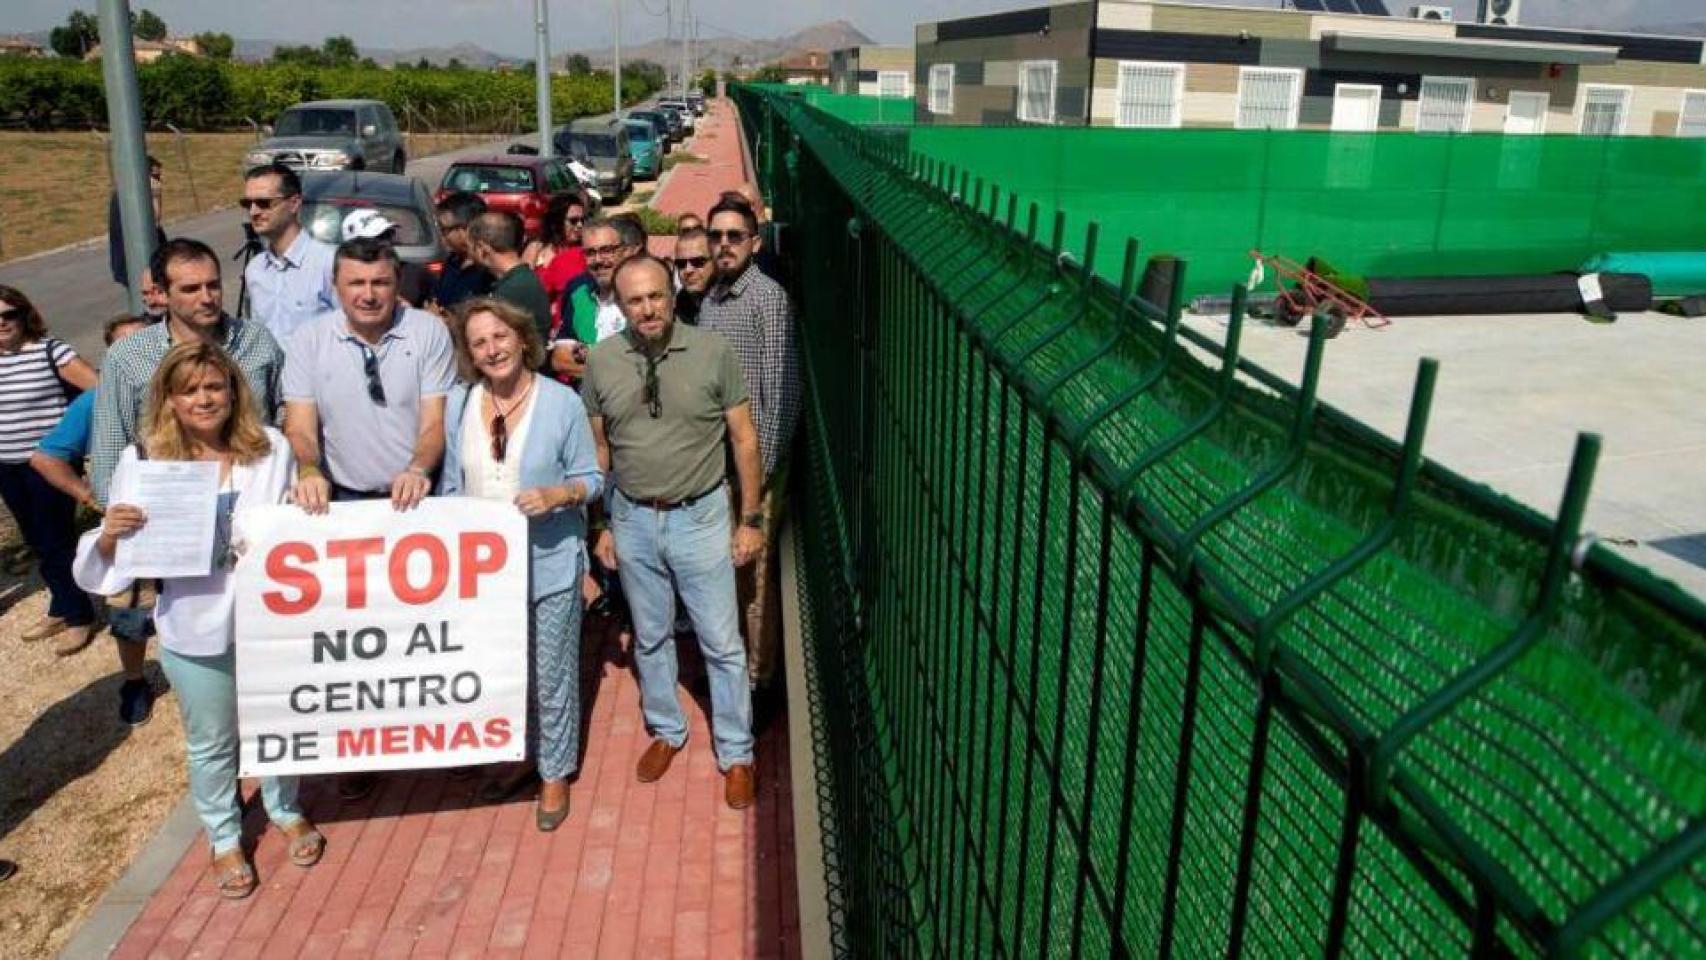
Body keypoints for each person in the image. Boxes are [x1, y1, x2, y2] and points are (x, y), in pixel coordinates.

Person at [74, 341, 324, 899]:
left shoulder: (272, 449)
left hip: (270, 622)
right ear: (169, 400)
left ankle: (285, 807)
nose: (205, 399)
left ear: (234, 391)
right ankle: (224, 836)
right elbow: (109, 565)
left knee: (280, 723)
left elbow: (301, 525)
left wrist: (310, 484)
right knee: (211, 740)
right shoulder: (145, 463)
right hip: (194, 622)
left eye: (215, 386)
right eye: (190, 391)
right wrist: (112, 533)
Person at [583, 254, 764, 810]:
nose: (647, 309)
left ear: (672, 295)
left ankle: (736, 751)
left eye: (656, 296)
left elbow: (744, 440)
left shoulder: (713, 352)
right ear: (621, 305)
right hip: (634, 517)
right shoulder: (602, 361)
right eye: (634, 300)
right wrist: (603, 521)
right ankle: (667, 728)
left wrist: (750, 519)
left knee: (721, 642)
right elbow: (600, 448)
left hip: (701, 514)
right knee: (652, 633)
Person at [283, 238, 455, 801]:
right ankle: (360, 750)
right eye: (356, 283)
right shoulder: (308, 341)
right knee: (355, 640)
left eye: (380, 282)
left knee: (429, 633)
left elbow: (435, 422)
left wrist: (418, 467)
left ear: (396, 283)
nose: (368, 294)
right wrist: (309, 467)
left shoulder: (427, 333)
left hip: (417, 499)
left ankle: (443, 738)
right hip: (347, 505)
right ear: (336, 286)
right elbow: (301, 424)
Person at [439, 298, 603, 830]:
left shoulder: (560, 403)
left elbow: (594, 479)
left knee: (551, 672)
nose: (492, 349)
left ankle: (554, 772)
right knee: (506, 671)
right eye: (480, 342)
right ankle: (522, 755)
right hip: (484, 573)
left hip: (548, 561)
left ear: (522, 338)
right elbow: (450, 482)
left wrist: (558, 494)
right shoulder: (459, 402)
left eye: (500, 337)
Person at [91, 237, 287, 507]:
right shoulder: (127, 356)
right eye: (191, 289)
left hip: (255, 498)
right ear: (161, 294)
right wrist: (121, 514)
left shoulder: (257, 340)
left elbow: (285, 412)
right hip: (171, 506)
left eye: (213, 285)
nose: (207, 298)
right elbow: (110, 453)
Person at [698, 198, 801, 690]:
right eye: (715, 236)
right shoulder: (711, 301)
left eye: (733, 236)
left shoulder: (767, 299)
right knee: (728, 576)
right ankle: (734, 666)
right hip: (715, 468)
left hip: (753, 470)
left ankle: (760, 681)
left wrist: (760, 485)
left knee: (756, 578)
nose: (723, 245)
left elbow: (781, 395)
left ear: (754, 242)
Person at [32, 314, 153, 718]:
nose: (137, 355)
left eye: (144, 343)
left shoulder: (185, 389)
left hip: (189, 520)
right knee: (132, 612)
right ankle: (135, 682)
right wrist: (90, 496)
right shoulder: (95, 400)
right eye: (124, 347)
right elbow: (46, 457)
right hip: (132, 528)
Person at [0, 285, 100, 655]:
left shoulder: (49, 350)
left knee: (55, 538)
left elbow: (98, 389)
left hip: (49, 466)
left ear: (24, 314)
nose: (2, 324)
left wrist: (76, 439)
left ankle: (78, 616)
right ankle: (61, 605)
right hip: (7, 467)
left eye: (8, 315)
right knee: (37, 540)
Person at [240, 163, 337, 342]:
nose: (253, 212)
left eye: (264, 203)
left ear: (294, 204)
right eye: (247, 204)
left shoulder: (328, 262)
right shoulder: (254, 270)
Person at [469, 211, 552, 347]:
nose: (470, 256)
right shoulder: (518, 281)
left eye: (470, 248)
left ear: (481, 249)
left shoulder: (513, 291)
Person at [522, 190, 591, 313]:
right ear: (557, 221)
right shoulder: (537, 248)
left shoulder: (586, 251)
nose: (580, 225)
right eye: (573, 221)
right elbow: (523, 287)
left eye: (583, 220)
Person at [108, 155, 166, 290]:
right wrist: (156, 196)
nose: (159, 181)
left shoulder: (125, 195)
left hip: (137, 268)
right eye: (155, 177)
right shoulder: (132, 200)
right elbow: (156, 222)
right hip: (140, 270)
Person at [431, 192, 492, 312]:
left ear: (465, 229)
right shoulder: (452, 261)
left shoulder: (489, 271)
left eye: (445, 230)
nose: (442, 236)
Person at [672, 227, 714, 325]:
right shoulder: (677, 306)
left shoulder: (736, 303)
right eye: (681, 263)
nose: (688, 270)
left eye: (697, 262)